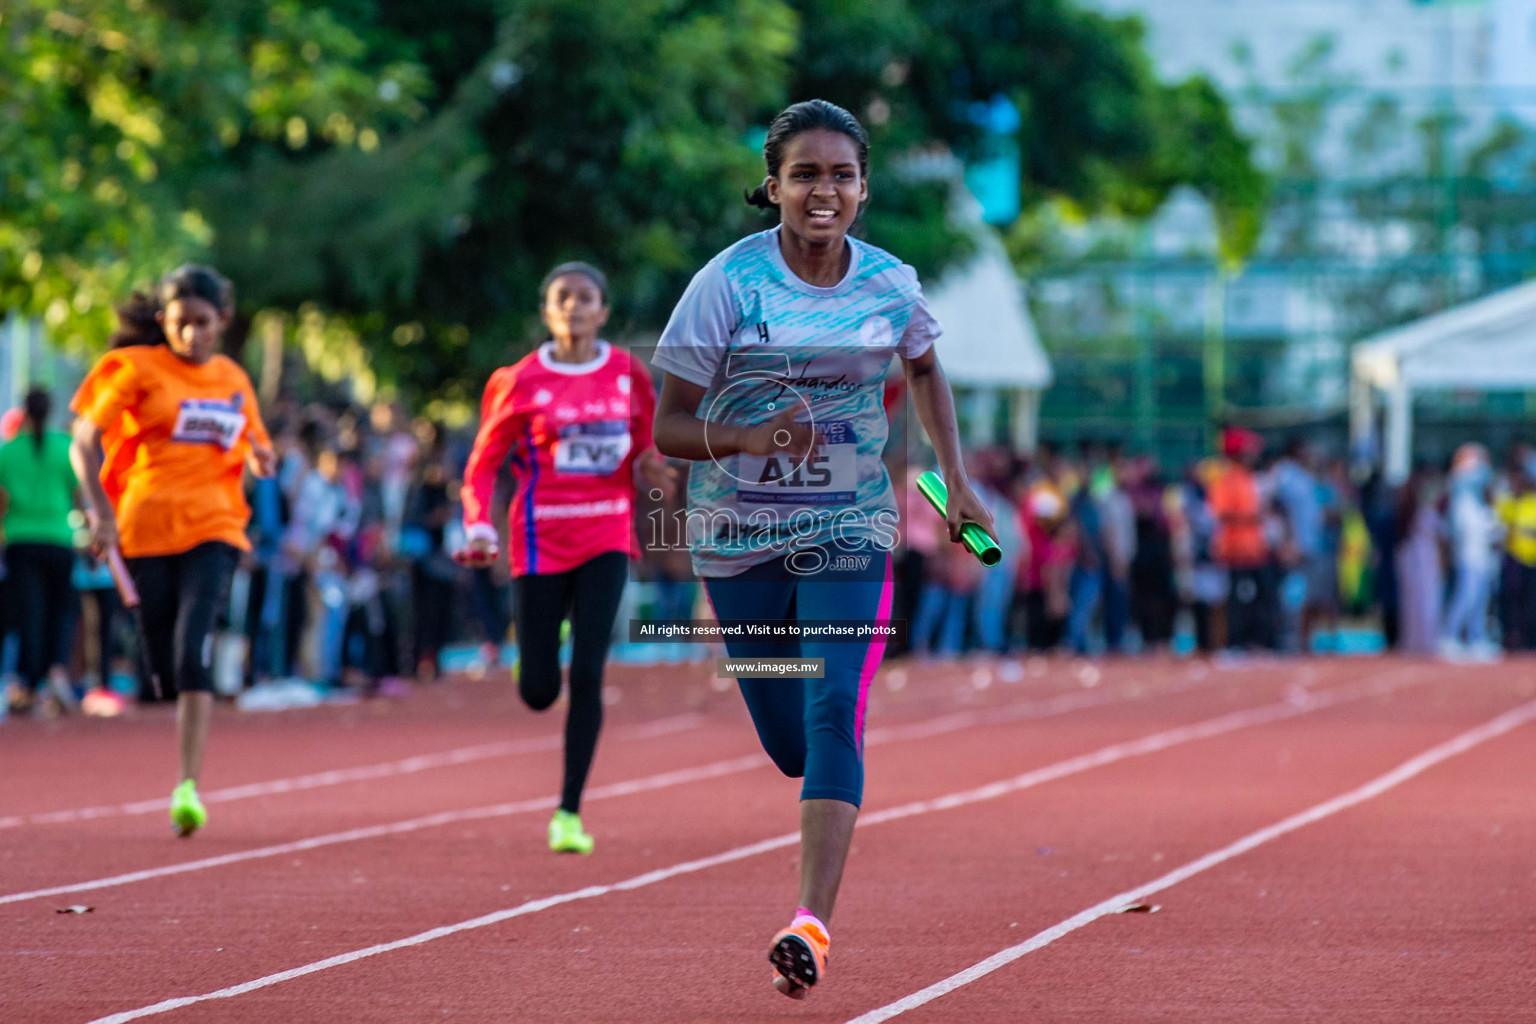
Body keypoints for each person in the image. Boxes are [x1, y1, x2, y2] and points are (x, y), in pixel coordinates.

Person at [650, 99, 994, 1000]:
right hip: (738, 539)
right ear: (773, 187)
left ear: (864, 188)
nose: (823, 191)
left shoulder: (890, 284)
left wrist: (953, 481)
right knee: (792, 744)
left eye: (841, 174)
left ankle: (811, 923)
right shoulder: (727, 283)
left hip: (851, 523)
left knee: (835, 705)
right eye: (805, 174)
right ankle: (809, 807)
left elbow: (923, 366)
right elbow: (669, 427)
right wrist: (748, 439)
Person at [458, 262, 675, 855]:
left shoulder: (629, 374)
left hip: (606, 535)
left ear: (603, 311)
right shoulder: (519, 380)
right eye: (563, 298)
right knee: (537, 692)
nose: (575, 307)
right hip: (538, 537)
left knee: (588, 672)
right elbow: (482, 463)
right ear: (547, 310)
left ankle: (569, 812)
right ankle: (538, 645)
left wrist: (655, 469)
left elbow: (647, 445)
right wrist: (477, 522)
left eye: (586, 298)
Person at [70, 265, 276, 836]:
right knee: (161, 674)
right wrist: (102, 515)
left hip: (215, 527)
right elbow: (84, 442)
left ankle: (187, 785)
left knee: (192, 654)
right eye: (180, 324)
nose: (191, 335)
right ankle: (177, 714)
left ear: (223, 322)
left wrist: (264, 458)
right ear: (163, 322)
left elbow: (258, 442)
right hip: (142, 531)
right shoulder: (136, 369)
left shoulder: (233, 377)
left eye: (203, 324)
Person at [0, 388, 82, 715]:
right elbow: (77, 496)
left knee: (29, 613)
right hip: (60, 539)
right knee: (61, 611)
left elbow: (2, 504)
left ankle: (31, 682)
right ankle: (56, 671)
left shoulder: (9, 451)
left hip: (21, 542)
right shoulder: (65, 446)